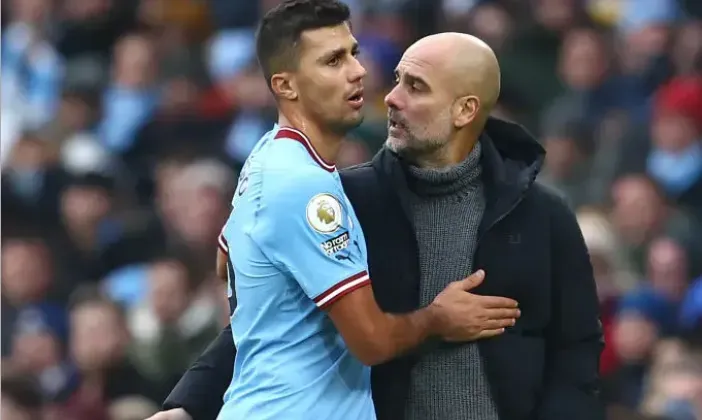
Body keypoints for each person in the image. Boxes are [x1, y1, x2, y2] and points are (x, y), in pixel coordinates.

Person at [150, 30, 604, 420]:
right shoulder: (345, 202)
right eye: (396, 80)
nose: (391, 98)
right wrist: (189, 404)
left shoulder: (543, 215)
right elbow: (267, 322)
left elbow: (576, 350)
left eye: (416, 87)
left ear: (465, 110)